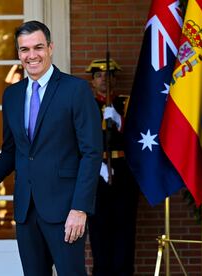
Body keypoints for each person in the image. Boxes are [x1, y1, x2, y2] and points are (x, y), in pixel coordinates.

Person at [0, 20, 103, 276]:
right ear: (18, 53)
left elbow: (91, 152)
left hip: (66, 210)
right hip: (26, 210)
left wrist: (80, 208)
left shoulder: (75, 90)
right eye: (24, 50)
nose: (32, 55)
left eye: (38, 47)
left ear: (51, 48)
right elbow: (12, 151)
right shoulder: (12, 96)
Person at [85, 59, 140, 276]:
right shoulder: (86, 105)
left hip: (123, 172)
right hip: (96, 174)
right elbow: (77, 140)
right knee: (99, 232)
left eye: (109, 75)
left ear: (115, 79)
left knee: (124, 230)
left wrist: (119, 119)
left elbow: (139, 135)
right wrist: (97, 165)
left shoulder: (126, 104)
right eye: (99, 76)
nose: (104, 80)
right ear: (92, 81)